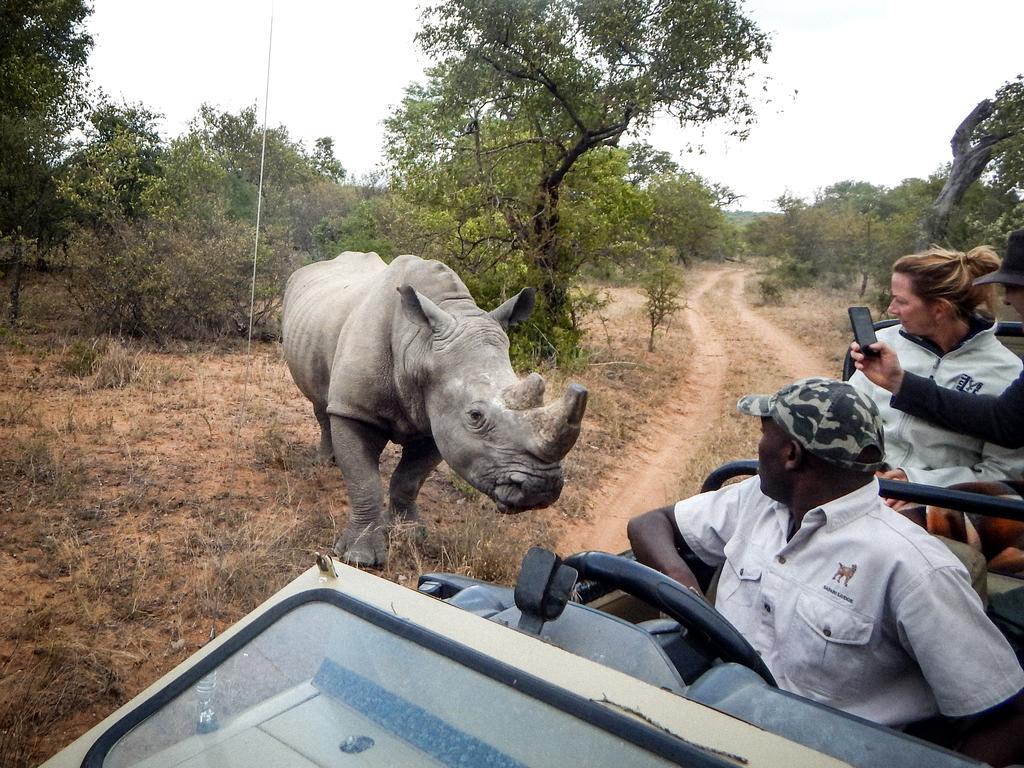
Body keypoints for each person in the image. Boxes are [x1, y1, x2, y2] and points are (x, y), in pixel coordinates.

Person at [627, 377, 1024, 765]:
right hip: (710, 715)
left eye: (765, 434)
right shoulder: (759, 500)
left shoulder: (913, 568)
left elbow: (1006, 716)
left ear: (791, 455)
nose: (757, 446)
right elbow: (650, 524)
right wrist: (681, 584)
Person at [846, 243, 1024, 488]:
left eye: (901, 301)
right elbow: (848, 419)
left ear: (940, 309)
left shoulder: (1005, 371)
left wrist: (918, 483)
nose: (891, 309)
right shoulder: (884, 344)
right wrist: (860, 468)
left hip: (939, 499)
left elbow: (1005, 472)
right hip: (868, 482)